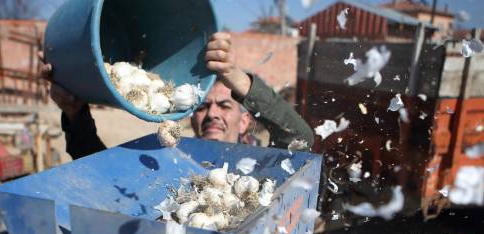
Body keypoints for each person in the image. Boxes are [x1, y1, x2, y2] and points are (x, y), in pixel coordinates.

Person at [41, 32, 314, 160]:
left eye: (225, 106)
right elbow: (101, 172)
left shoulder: (257, 165)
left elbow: (300, 139)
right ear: (190, 117)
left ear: (245, 122)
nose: (212, 115)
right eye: (203, 107)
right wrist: (75, 114)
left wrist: (236, 76)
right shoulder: (174, 161)